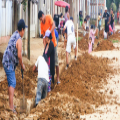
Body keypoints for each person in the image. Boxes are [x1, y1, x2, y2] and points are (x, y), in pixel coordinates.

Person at [2, 19, 27, 113]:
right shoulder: (19, 39)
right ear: (22, 29)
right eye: (24, 30)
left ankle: (11, 105)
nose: (24, 32)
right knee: (12, 82)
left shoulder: (14, 34)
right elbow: (20, 56)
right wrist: (22, 65)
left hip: (7, 61)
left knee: (11, 82)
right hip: (9, 62)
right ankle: (11, 107)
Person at [38, 11, 60, 84]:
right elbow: (43, 38)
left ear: (43, 15)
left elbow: (54, 25)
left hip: (53, 43)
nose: (42, 21)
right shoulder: (41, 24)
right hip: (47, 45)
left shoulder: (49, 17)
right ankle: (48, 79)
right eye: (40, 20)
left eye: (42, 19)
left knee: (55, 61)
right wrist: (45, 49)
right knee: (48, 62)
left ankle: (57, 79)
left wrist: (49, 32)